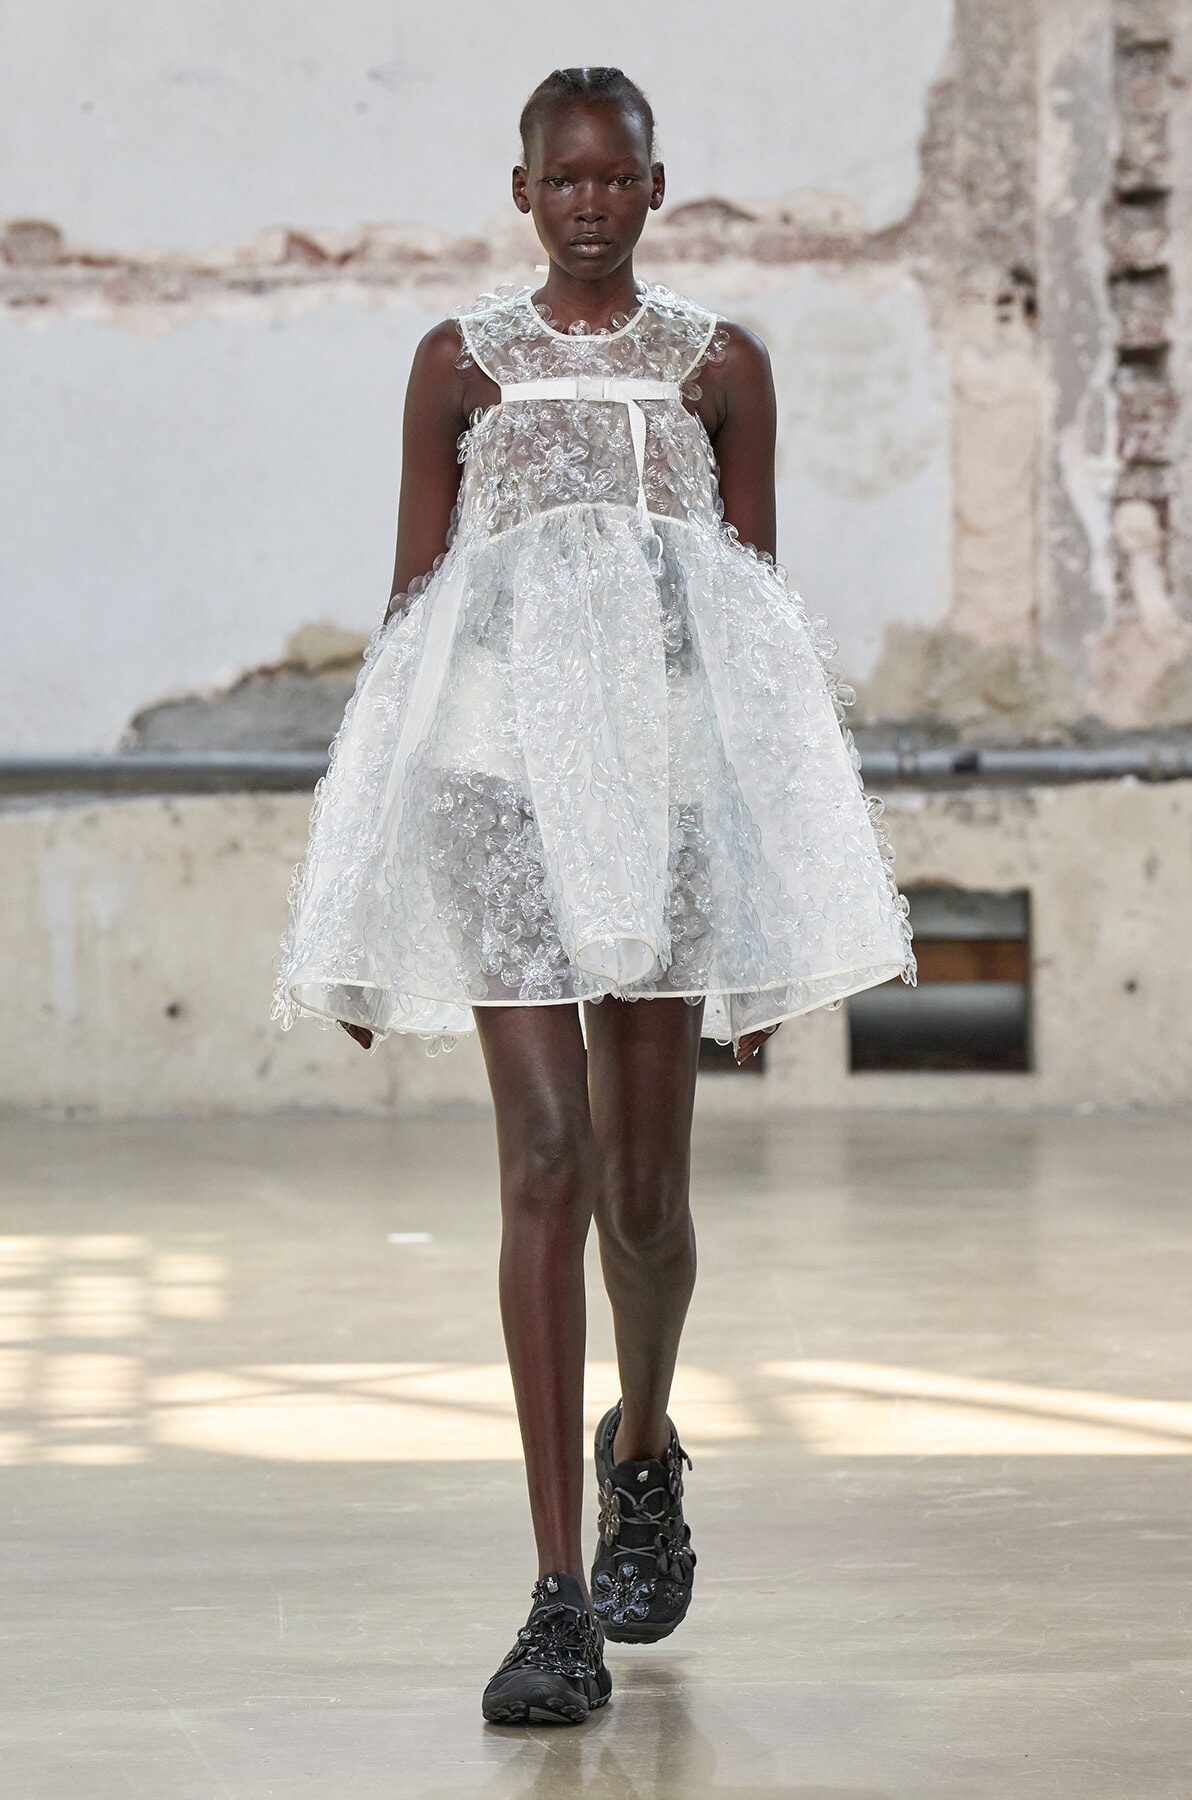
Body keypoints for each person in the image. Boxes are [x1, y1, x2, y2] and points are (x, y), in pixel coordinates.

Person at [274, 67, 914, 1726]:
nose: (586, 203)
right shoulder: (454, 370)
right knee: (543, 1167)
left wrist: (769, 918)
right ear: (520, 191)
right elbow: (410, 630)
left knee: (643, 1197)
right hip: (499, 796)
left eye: (614, 178)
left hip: (672, 808)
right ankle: (556, 1596)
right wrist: (355, 898)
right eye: (559, 179)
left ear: (652, 188)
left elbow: (755, 655)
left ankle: (645, 1447)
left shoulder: (719, 371)